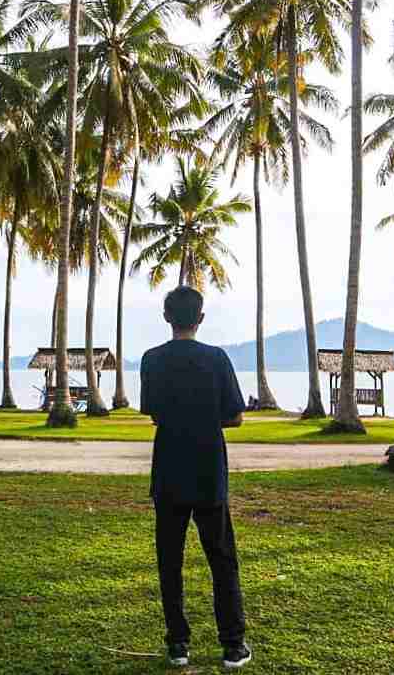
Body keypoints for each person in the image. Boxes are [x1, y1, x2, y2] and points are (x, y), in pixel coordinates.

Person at [140, 286, 251, 670]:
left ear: (167, 317)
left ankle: (178, 645)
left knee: (170, 562)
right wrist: (207, 419)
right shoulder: (217, 359)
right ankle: (233, 645)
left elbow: (153, 413)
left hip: (169, 471)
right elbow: (236, 416)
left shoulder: (152, 360)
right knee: (222, 560)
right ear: (200, 318)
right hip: (208, 472)